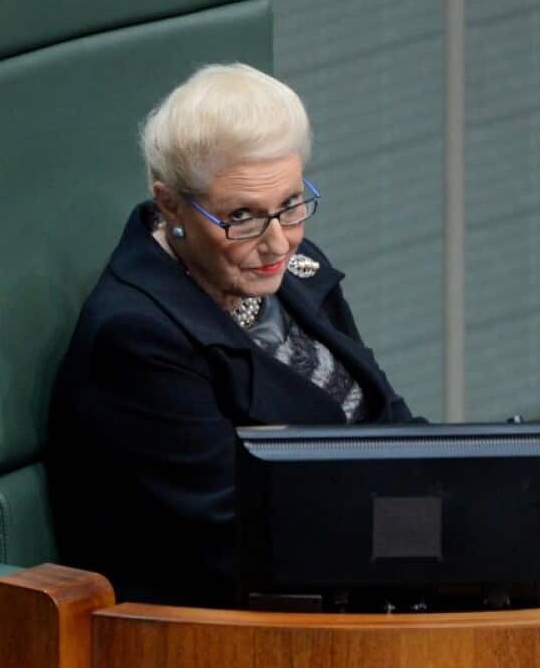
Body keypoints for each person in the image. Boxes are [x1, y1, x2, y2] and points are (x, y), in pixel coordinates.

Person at [48, 63, 419, 607]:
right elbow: (239, 539)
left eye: (291, 205)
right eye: (241, 216)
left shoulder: (292, 267)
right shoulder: (136, 338)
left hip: (354, 569)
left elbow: (382, 418)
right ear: (169, 203)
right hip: (232, 624)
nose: (278, 244)